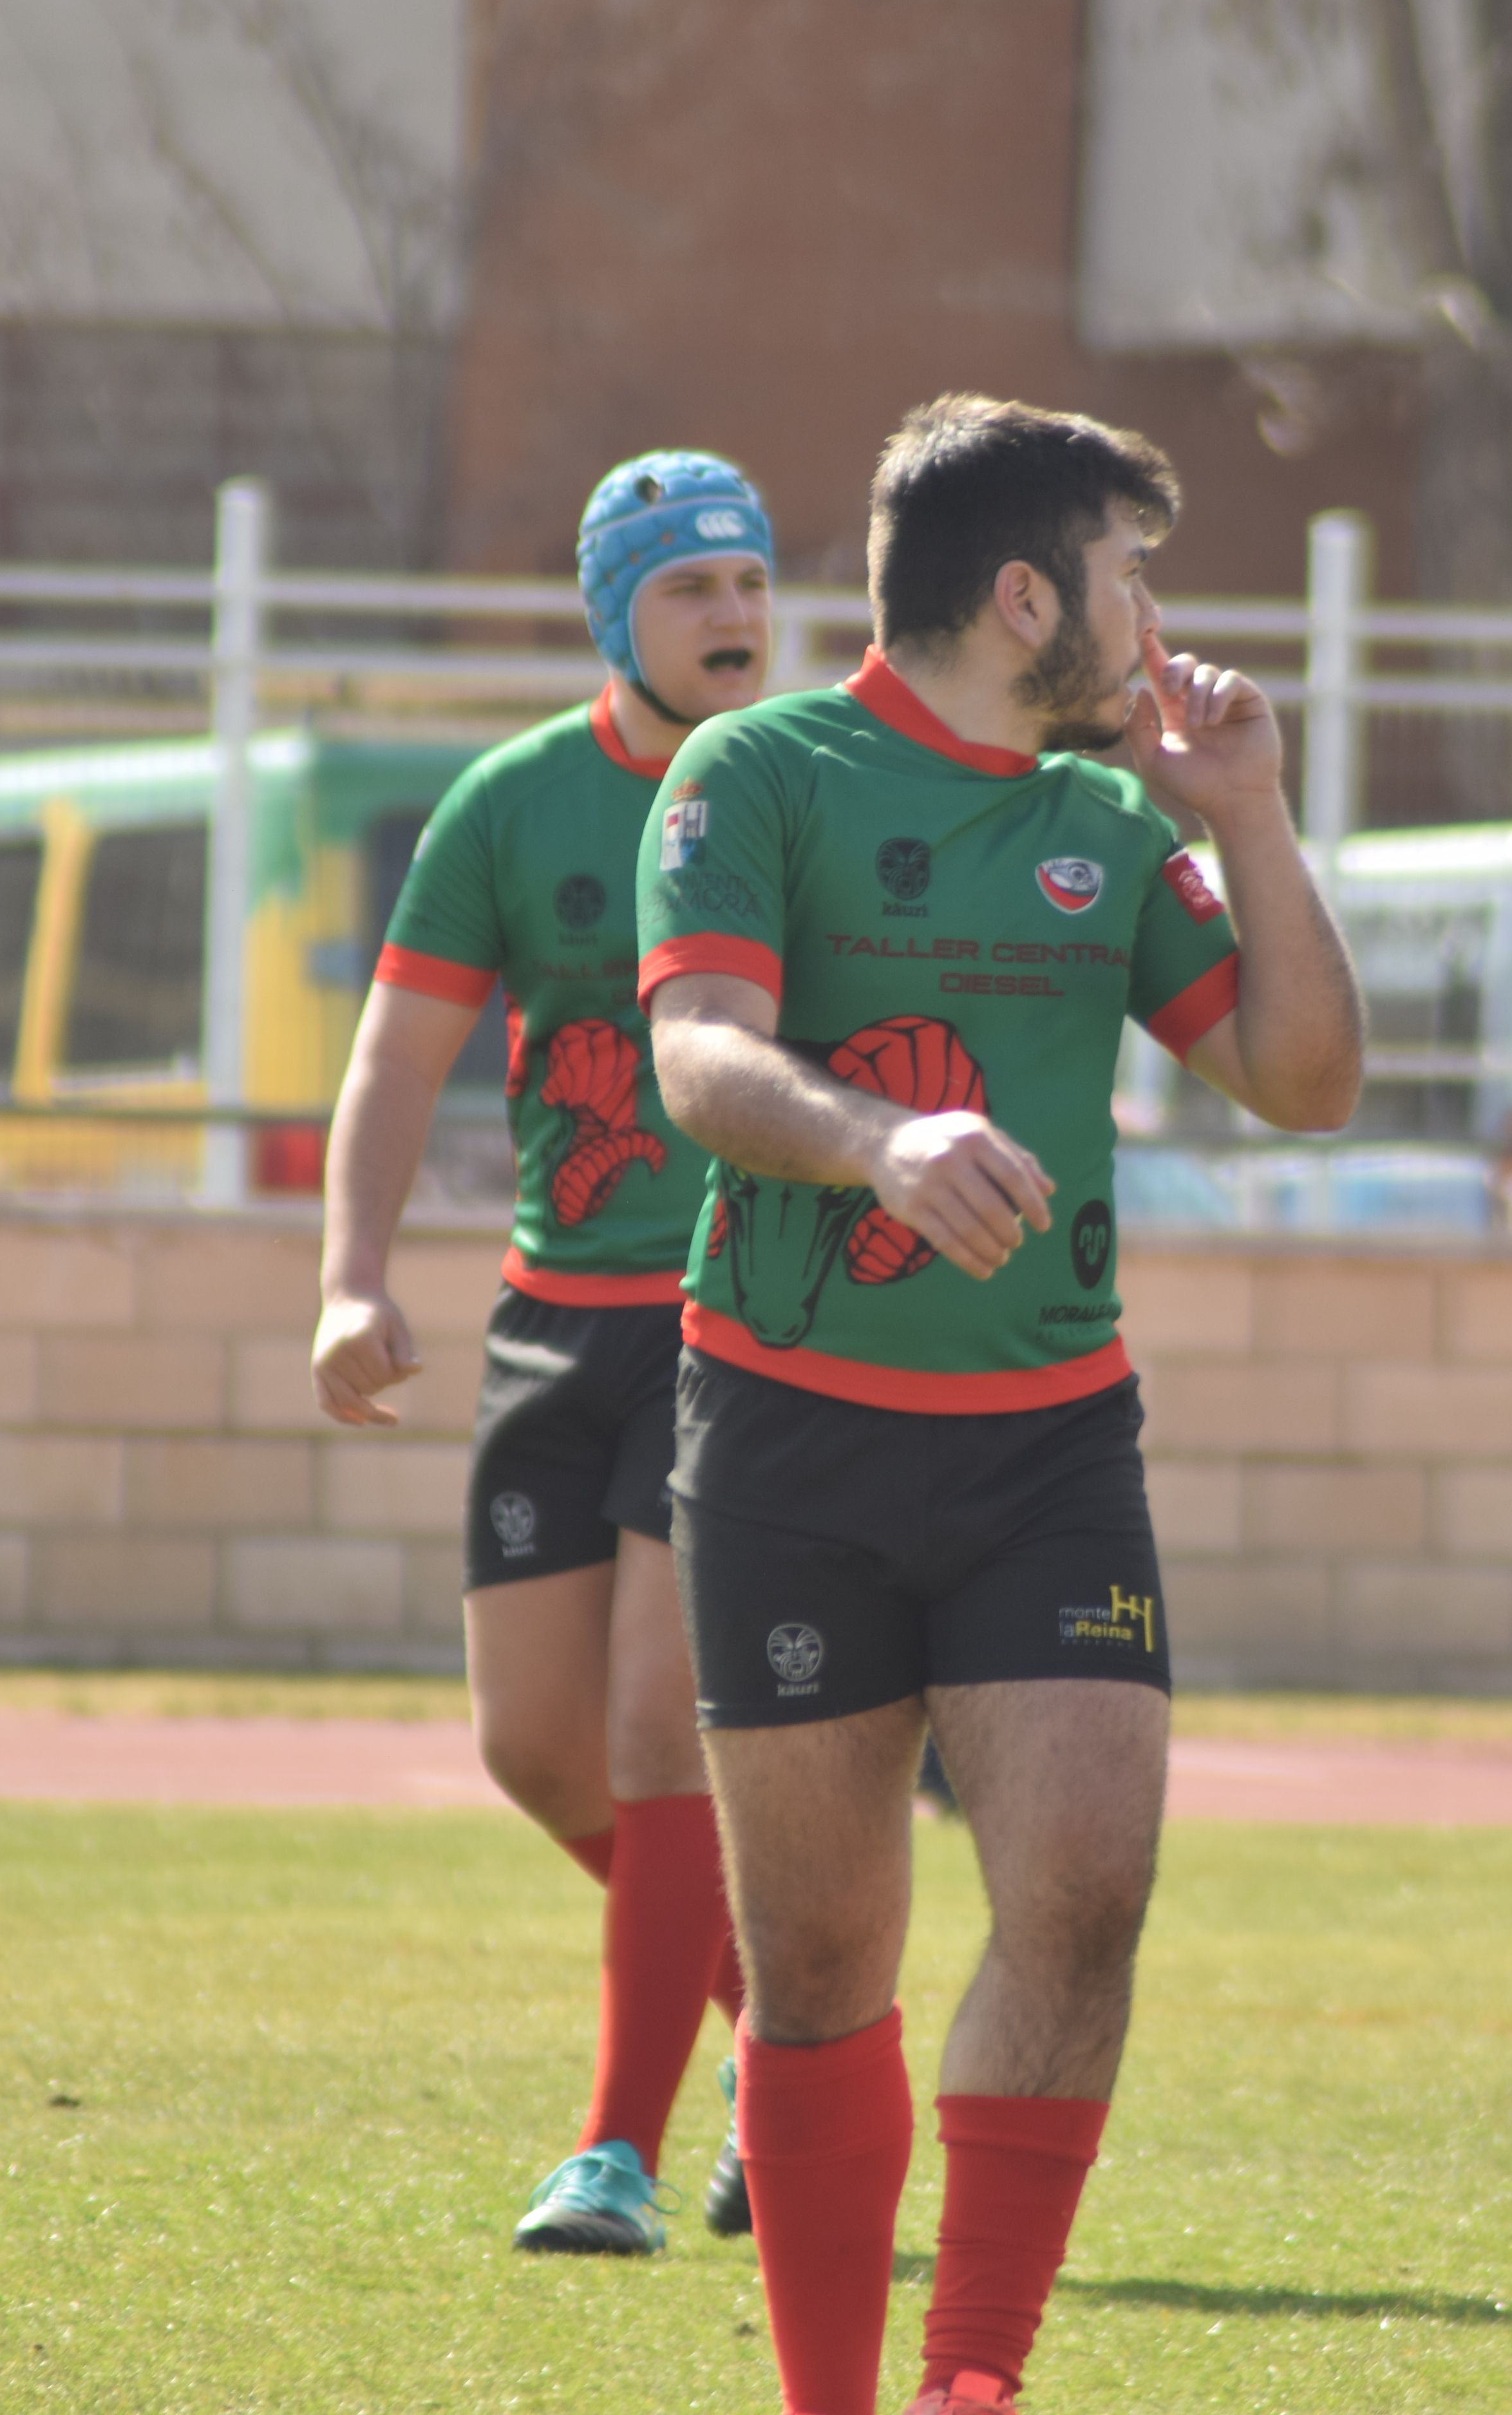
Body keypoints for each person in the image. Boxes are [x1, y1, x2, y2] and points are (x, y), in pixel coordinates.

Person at [637, 396, 1361, 2414]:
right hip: (786, 1435)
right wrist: (874, 1141)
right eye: (1130, 574)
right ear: (1025, 591)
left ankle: (970, 2384)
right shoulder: (752, 770)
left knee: (1083, 1894)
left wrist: (1250, 815)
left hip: (1049, 1445)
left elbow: (1304, 1083)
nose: (1154, 624)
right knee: (817, 1970)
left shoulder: (1117, 823)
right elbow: (699, 1052)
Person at [313, 450, 777, 2255]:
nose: (734, 616)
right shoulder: (507, 804)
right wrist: (352, 1275)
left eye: (748, 582)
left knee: (665, 1733)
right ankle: (789, 2033)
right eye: (689, 589)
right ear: (614, 617)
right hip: (549, 1322)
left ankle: (617, 2157)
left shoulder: (805, 791)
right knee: (536, 1750)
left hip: (734, 1322)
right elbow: (395, 1064)